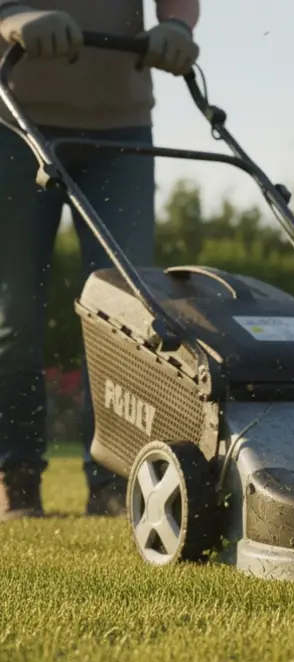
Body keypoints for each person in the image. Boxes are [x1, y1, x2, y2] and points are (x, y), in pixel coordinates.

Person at [0, 0, 200, 521]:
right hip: (12, 118)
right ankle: (16, 483)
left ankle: (114, 484)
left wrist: (176, 25)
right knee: (14, 313)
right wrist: (12, 16)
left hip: (121, 125)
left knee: (127, 316)